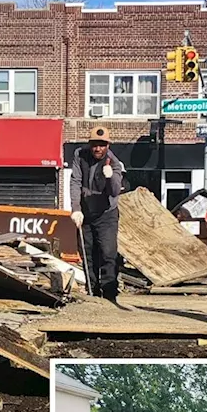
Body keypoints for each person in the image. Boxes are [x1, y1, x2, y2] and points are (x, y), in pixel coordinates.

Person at [69, 126, 125, 302]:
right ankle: (93, 290)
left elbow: (115, 191)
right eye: (94, 145)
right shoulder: (80, 155)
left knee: (108, 253)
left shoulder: (114, 163)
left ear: (108, 146)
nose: (97, 149)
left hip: (106, 214)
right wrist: (76, 208)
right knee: (87, 251)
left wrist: (110, 177)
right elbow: (76, 181)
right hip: (86, 212)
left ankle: (109, 293)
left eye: (102, 145)